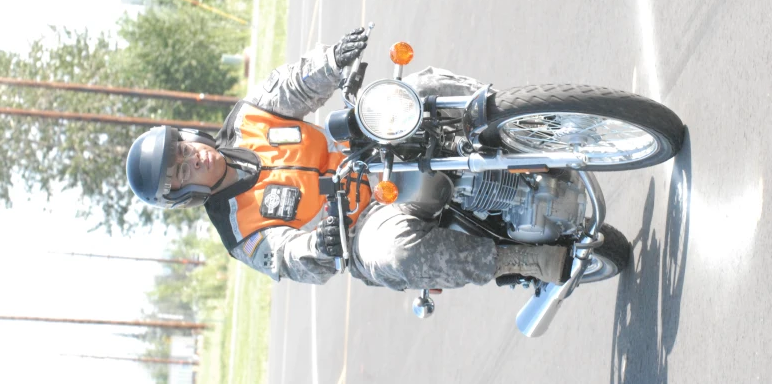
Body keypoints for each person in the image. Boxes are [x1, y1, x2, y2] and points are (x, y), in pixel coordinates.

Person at [126, 29, 571, 290]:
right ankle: (515, 261)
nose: (194, 158)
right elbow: (284, 258)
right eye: (182, 170)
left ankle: (520, 124)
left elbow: (294, 86)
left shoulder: (246, 119)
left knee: (422, 85)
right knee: (394, 255)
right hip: (359, 224)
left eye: (183, 149)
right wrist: (317, 246)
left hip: (366, 149)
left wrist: (333, 59)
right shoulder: (239, 233)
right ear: (184, 193)